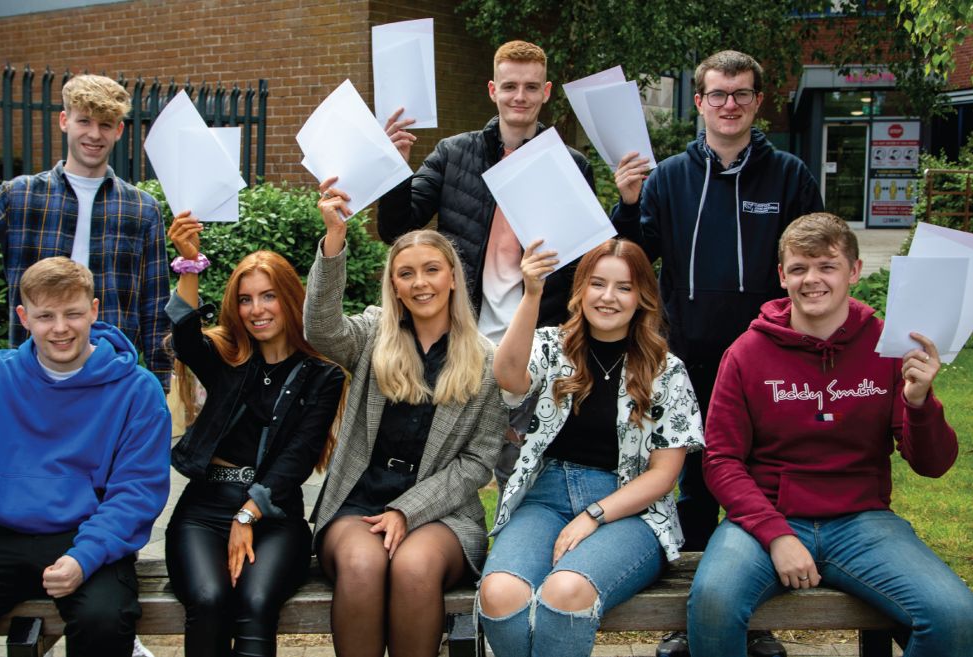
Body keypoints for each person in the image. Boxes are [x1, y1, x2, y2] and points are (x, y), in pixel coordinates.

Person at [608, 50, 824, 657]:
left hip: (770, 360)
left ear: (758, 102)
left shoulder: (790, 177)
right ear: (699, 102)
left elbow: (810, 264)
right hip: (688, 360)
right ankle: (693, 619)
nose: (730, 104)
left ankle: (756, 624)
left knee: (763, 488)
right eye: (718, 94)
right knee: (696, 493)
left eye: (742, 94)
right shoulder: (668, 177)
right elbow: (631, 262)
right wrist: (627, 203)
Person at [686, 213, 973, 657]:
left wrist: (920, 403)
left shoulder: (892, 346)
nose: (812, 279)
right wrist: (776, 534)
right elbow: (722, 460)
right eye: (800, 268)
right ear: (782, 276)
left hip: (862, 519)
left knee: (954, 616)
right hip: (767, 516)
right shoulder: (746, 353)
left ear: (854, 272)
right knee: (713, 602)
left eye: (827, 266)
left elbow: (933, 465)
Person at [0, 256, 171, 657]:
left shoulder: (137, 389)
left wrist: (83, 558)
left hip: (89, 535)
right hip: (3, 538)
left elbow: (138, 491)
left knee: (104, 623)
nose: (59, 328)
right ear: (24, 317)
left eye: (72, 313)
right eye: (45, 316)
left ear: (93, 310)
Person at [377, 39, 598, 491]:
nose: (521, 96)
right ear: (493, 90)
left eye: (531, 87)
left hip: (535, 336)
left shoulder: (569, 163)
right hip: (465, 337)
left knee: (524, 472)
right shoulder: (453, 154)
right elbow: (396, 229)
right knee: (446, 466)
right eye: (511, 86)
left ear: (547, 91)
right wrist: (396, 168)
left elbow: (586, 258)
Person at [478, 238, 704, 657]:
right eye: (597, 284)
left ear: (642, 298)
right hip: (544, 499)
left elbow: (664, 474)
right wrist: (532, 293)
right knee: (499, 592)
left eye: (624, 287)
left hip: (629, 511)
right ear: (580, 290)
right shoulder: (551, 346)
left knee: (566, 590)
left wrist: (593, 516)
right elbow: (508, 377)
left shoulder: (667, 370)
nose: (608, 297)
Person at [309, 179, 506, 657]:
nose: (420, 283)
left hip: (442, 512)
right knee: (362, 565)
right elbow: (320, 329)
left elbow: (478, 463)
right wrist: (334, 241)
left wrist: (406, 511)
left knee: (413, 568)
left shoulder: (485, 361)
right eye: (407, 273)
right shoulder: (375, 334)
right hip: (359, 499)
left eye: (432, 270)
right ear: (393, 284)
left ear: (453, 277)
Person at [0, 74, 171, 386]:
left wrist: (164, 392)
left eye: (106, 125)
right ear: (65, 121)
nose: (95, 134)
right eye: (85, 122)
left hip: (113, 377)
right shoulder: (21, 195)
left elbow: (155, 310)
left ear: (119, 130)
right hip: (33, 376)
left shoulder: (142, 208)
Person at [161, 211, 345, 657]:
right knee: (208, 600)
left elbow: (299, 457)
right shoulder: (227, 357)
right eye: (245, 300)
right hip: (203, 511)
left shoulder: (321, 375)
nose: (256, 310)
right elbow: (185, 340)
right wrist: (189, 264)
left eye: (268, 297)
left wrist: (248, 514)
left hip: (275, 516)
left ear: (289, 298)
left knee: (255, 602)